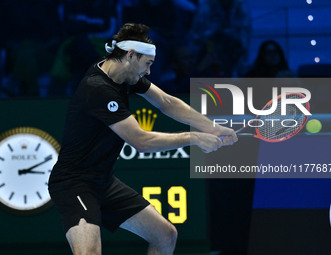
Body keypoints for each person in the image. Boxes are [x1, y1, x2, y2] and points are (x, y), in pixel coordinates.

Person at [48, 23, 237, 255]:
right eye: (147, 64)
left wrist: (212, 127)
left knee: (165, 235)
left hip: (103, 182)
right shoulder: (97, 88)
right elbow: (141, 141)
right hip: (73, 184)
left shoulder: (123, 73)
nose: (148, 72)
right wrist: (195, 138)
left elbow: (166, 102)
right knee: (88, 252)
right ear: (130, 55)